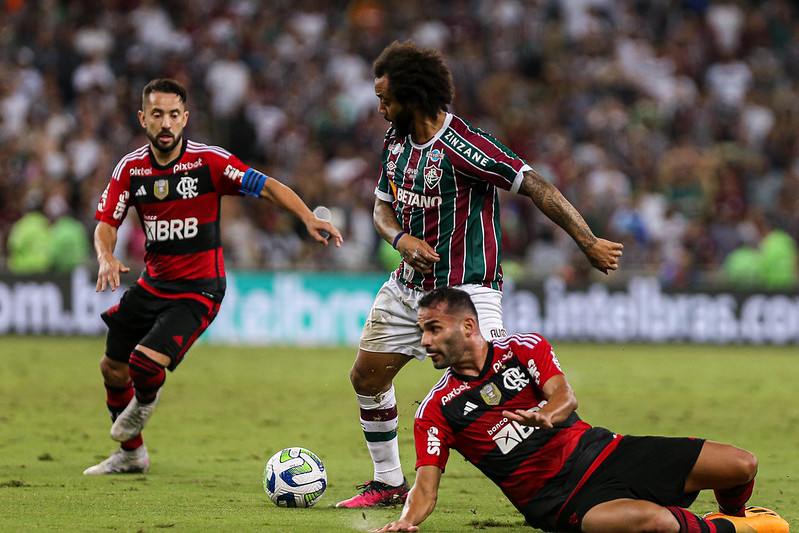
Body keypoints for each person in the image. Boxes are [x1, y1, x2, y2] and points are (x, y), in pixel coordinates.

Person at [336, 41, 624, 508]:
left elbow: (535, 186)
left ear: (413, 97)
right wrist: (399, 240)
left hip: (466, 293)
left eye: (386, 99)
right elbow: (381, 208)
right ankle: (388, 482)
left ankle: (580, 473)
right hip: (409, 288)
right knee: (366, 378)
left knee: (503, 392)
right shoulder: (394, 141)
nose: (380, 108)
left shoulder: (465, 145)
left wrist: (587, 240)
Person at [83, 78, 342, 475]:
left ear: (185, 118)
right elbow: (106, 222)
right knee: (110, 368)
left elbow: (266, 186)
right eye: (157, 114)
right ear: (143, 119)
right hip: (152, 284)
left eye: (173, 115)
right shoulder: (131, 169)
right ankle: (132, 455)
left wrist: (307, 215)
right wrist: (105, 256)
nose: (165, 123)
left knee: (143, 365)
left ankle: (144, 404)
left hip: (199, 290)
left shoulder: (209, 162)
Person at [372, 287, 789, 533]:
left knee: (741, 464)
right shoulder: (437, 411)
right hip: (561, 501)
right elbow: (426, 487)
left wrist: (546, 415)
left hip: (607, 451)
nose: (424, 342)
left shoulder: (523, 349)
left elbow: (565, 397)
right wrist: (407, 522)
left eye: (433, 329)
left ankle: (733, 514)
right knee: (658, 524)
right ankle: (737, 529)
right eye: (422, 331)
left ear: (467, 327)